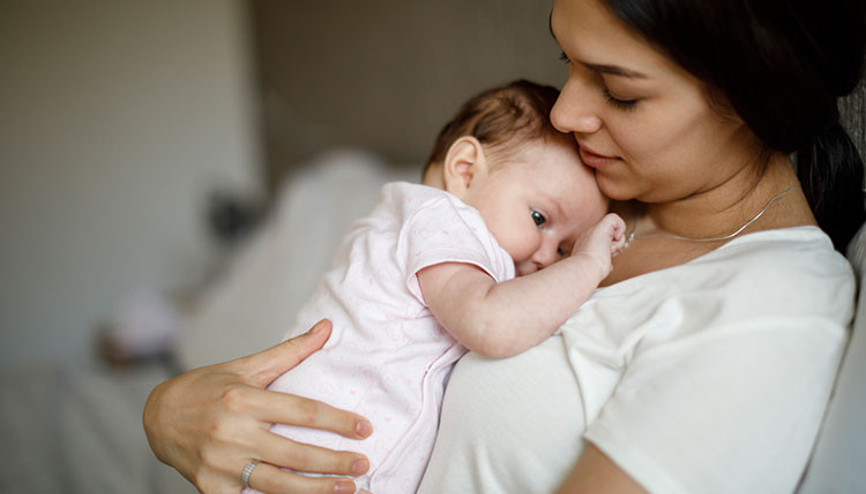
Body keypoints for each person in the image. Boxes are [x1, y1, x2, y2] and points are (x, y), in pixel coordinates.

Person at [143, 0, 866, 492]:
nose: (567, 111)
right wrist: (168, 411)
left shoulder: (769, 305)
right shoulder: (588, 188)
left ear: (751, 94)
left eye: (619, 92)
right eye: (569, 64)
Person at [240, 80, 624, 493]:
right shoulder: (441, 222)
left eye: (565, 248)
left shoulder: (423, 229)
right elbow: (491, 323)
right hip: (314, 460)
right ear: (465, 171)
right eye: (538, 218)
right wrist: (587, 263)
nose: (549, 258)